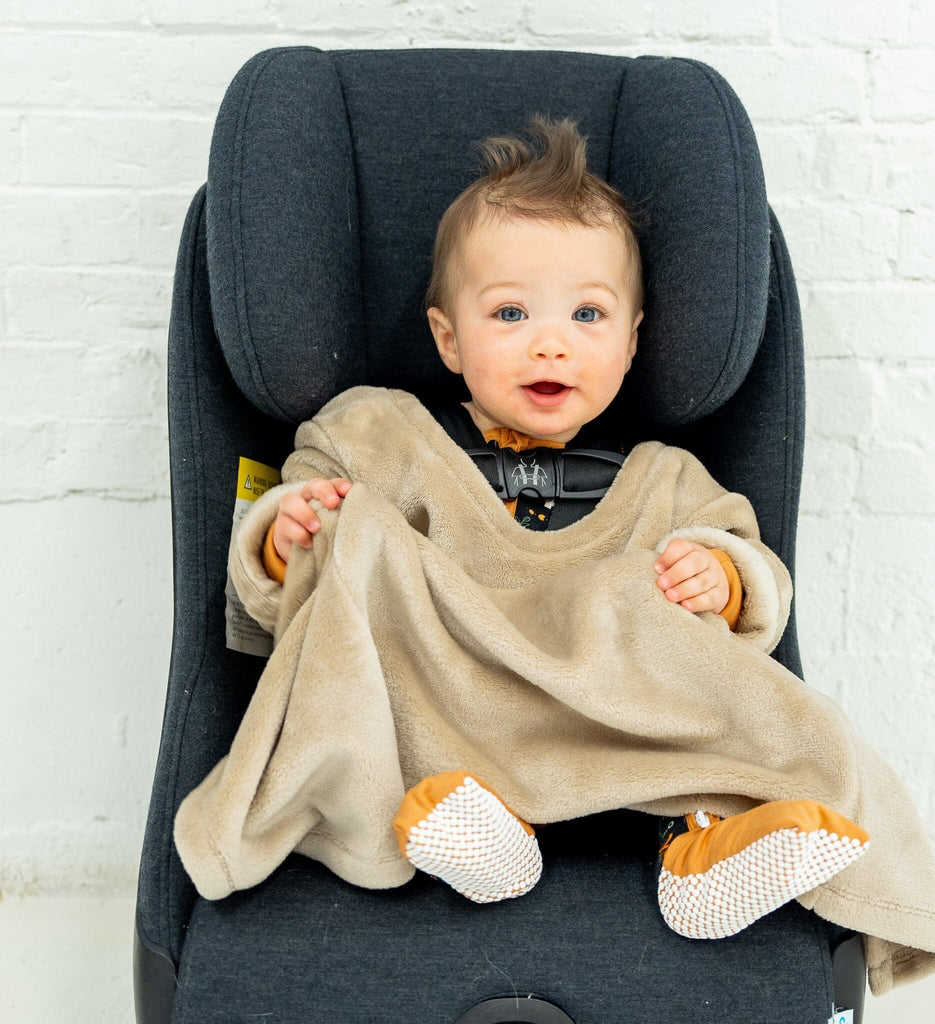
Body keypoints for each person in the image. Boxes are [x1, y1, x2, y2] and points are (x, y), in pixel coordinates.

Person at [246, 118, 869, 940]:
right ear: (447, 337)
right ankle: (484, 825)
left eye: (587, 314)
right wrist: (285, 536)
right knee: (358, 548)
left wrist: (722, 577)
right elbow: (302, 581)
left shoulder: (661, 478)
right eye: (509, 313)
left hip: (611, 724)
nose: (551, 344)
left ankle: (704, 848)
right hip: (455, 703)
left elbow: (749, 566)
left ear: (633, 340)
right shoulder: (385, 438)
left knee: (704, 660)